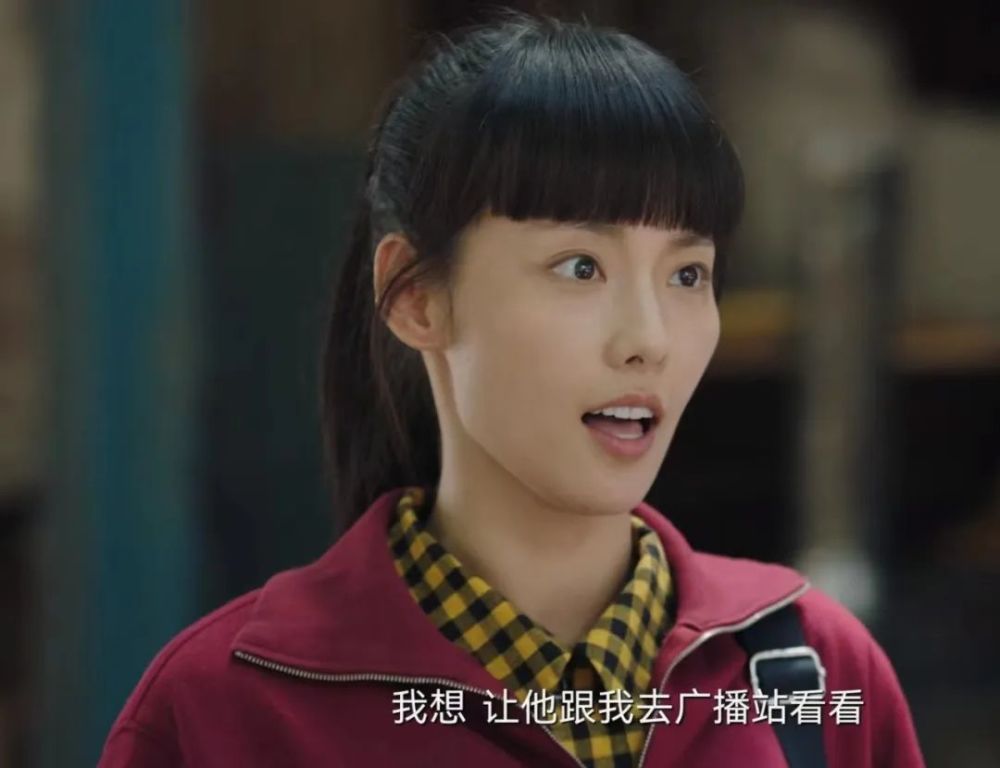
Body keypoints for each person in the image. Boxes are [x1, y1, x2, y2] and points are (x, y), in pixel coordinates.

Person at [99, 10, 924, 768]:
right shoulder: (225, 711)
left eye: (686, 274)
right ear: (416, 296)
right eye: (580, 267)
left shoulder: (812, 671)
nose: (649, 339)